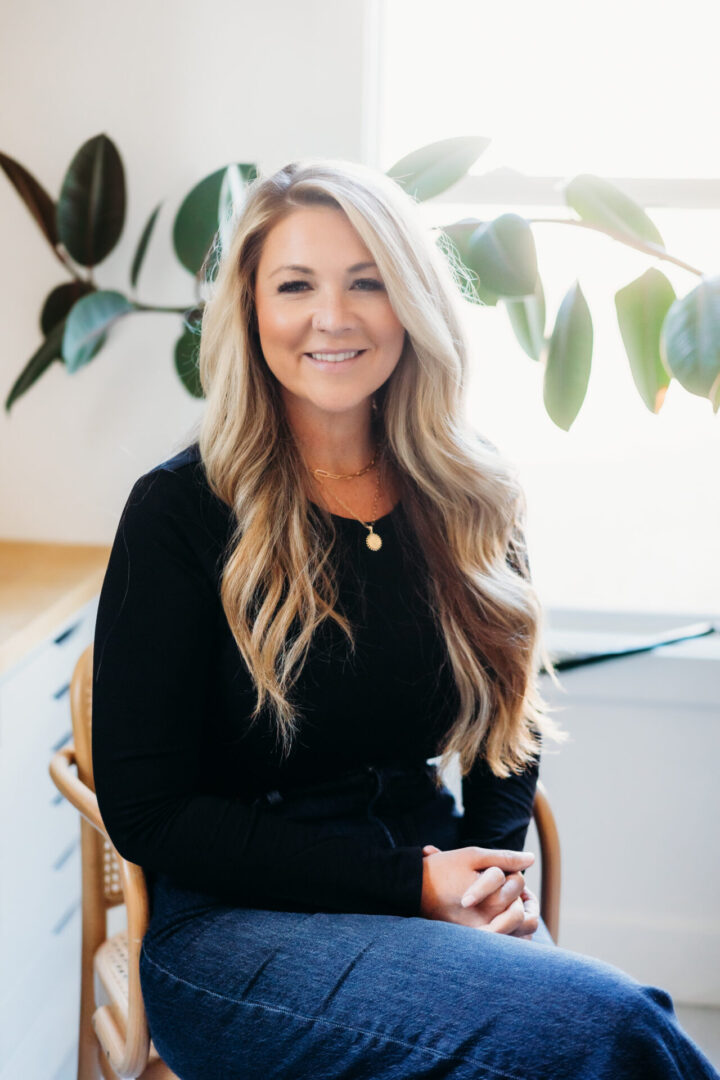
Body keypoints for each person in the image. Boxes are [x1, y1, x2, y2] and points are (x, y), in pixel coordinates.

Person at [92, 158, 719, 1080]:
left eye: (367, 282)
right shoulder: (181, 511)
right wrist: (414, 886)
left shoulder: (465, 493)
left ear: (412, 303)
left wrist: (493, 877)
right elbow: (149, 814)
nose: (332, 317)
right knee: (610, 1028)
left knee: (584, 1035)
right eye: (296, 285)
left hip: (429, 894)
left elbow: (507, 729)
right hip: (236, 937)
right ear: (251, 309)